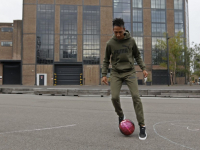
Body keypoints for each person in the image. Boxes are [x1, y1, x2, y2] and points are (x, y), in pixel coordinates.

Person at [101, 18, 148, 140]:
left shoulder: (131, 41)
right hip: (116, 73)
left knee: (136, 97)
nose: (117, 35)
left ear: (124, 29)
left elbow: (137, 55)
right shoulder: (110, 43)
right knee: (114, 97)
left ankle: (142, 126)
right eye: (115, 32)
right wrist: (104, 74)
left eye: (119, 32)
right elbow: (106, 60)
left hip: (130, 72)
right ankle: (121, 116)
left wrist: (143, 68)